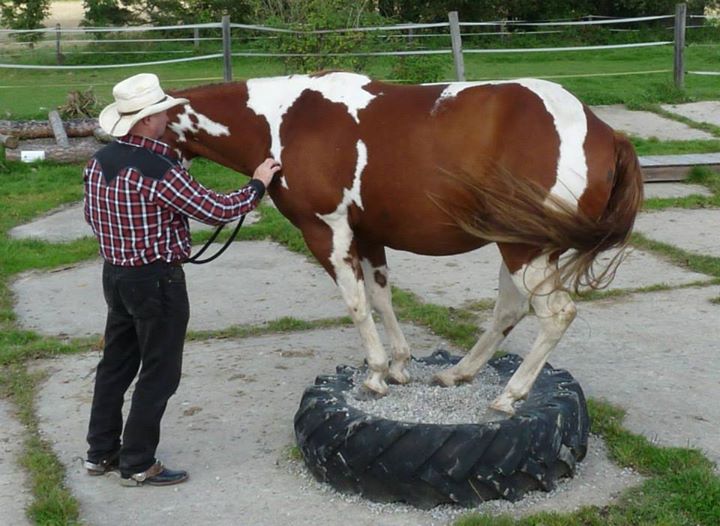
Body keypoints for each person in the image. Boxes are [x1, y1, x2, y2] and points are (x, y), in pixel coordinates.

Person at [83, 73, 281, 487]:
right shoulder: (160, 169)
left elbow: (92, 217)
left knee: (115, 365)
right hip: (157, 281)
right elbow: (215, 209)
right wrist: (258, 183)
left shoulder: (98, 162)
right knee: (160, 371)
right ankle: (138, 461)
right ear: (143, 122)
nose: (167, 116)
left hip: (116, 275)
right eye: (159, 112)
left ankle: (100, 452)